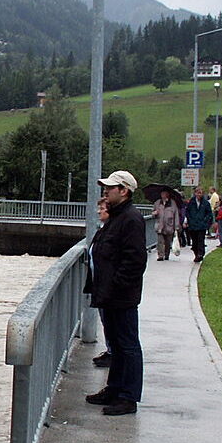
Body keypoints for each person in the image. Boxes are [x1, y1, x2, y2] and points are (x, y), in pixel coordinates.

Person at [84, 170, 147, 416]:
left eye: (110, 188)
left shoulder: (131, 219)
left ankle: (128, 397)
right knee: (117, 347)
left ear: (124, 191)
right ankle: (114, 389)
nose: (105, 192)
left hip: (120, 297)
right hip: (109, 296)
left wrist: (116, 286)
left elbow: (135, 261)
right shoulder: (117, 217)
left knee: (128, 346)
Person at [91, 198, 114, 368]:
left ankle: (112, 353)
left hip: (107, 287)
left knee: (110, 321)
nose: (99, 212)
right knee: (106, 320)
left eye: (102, 209)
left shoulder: (112, 230)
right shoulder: (103, 229)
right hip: (100, 285)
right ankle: (110, 350)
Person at [183, 187, 213, 262]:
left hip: (201, 226)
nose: (199, 194)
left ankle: (200, 254)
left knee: (200, 240)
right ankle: (196, 254)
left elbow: (209, 214)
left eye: (200, 193)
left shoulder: (205, 203)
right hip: (192, 225)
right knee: (194, 242)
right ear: (195, 193)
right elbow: (187, 212)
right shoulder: (191, 202)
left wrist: (205, 221)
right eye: (197, 193)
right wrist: (189, 220)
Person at [152, 189, 179, 261]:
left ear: (167, 194)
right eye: (162, 194)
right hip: (160, 226)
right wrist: (154, 213)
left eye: (164, 194)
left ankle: (167, 254)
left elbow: (176, 214)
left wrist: (176, 226)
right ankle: (160, 255)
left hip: (169, 226)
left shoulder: (172, 203)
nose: (163, 195)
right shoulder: (157, 203)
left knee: (168, 242)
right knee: (160, 241)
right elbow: (153, 213)